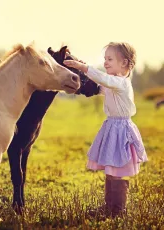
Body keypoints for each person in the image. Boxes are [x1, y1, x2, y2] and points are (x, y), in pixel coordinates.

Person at [64, 42, 148, 217]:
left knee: (116, 170)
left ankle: (117, 210)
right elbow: (98, 85)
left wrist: (83, 67)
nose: (105, 62)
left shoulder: (121, 83)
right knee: (111, 169)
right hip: (112, 127)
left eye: (109, 59)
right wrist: (77, 68)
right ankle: (109, 207)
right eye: (105, 59)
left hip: (121, 130)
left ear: (124, 63)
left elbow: (104, 79)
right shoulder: (113, 84)